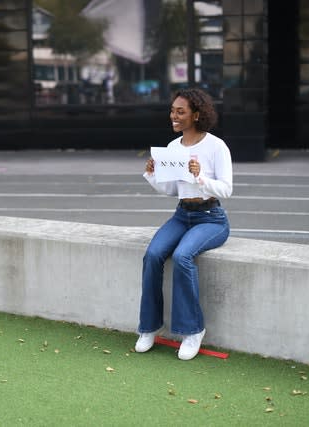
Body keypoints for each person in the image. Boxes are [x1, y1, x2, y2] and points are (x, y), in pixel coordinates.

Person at [134, 88, 232, 360]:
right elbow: (171, 190)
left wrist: (201, 178)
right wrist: (152, 175)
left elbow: (226, 189)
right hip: (182, 215)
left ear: (196, 115)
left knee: (182, 256)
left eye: (181, 112)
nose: (173, 116)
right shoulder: (174, 147)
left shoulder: (216, 146)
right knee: (153, 254)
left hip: (211, 219)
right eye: (172, 110)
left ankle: (193, 331)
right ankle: (149, 327)